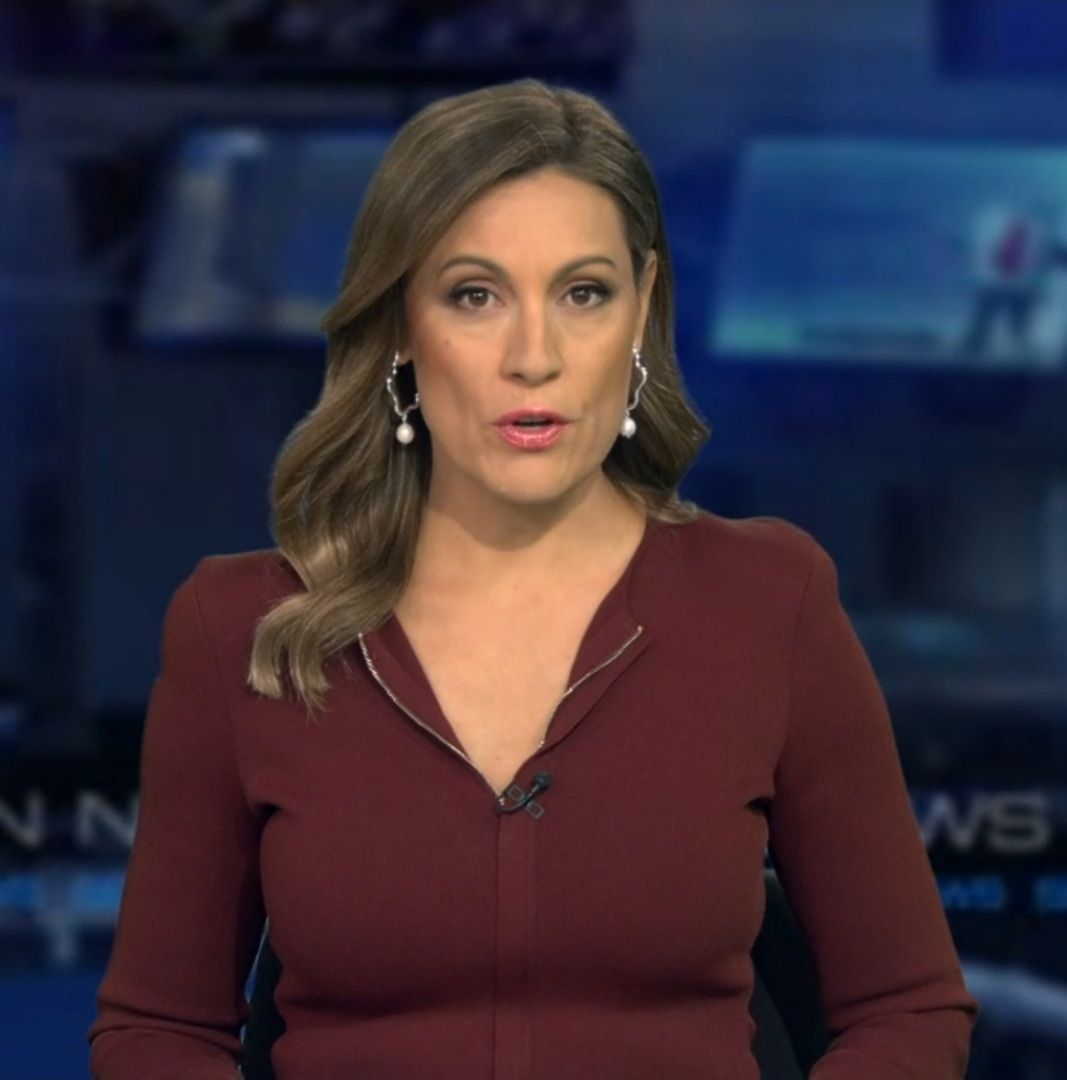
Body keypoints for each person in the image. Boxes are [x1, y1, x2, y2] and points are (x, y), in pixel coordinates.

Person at [87, 78, 980, 1078]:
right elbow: (158, 1031)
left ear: (639, 311)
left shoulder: (769, 602)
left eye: (582, 293)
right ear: (399, 325)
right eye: (474, 295)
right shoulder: (240, 627)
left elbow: (906, 1008)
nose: (533, 356)